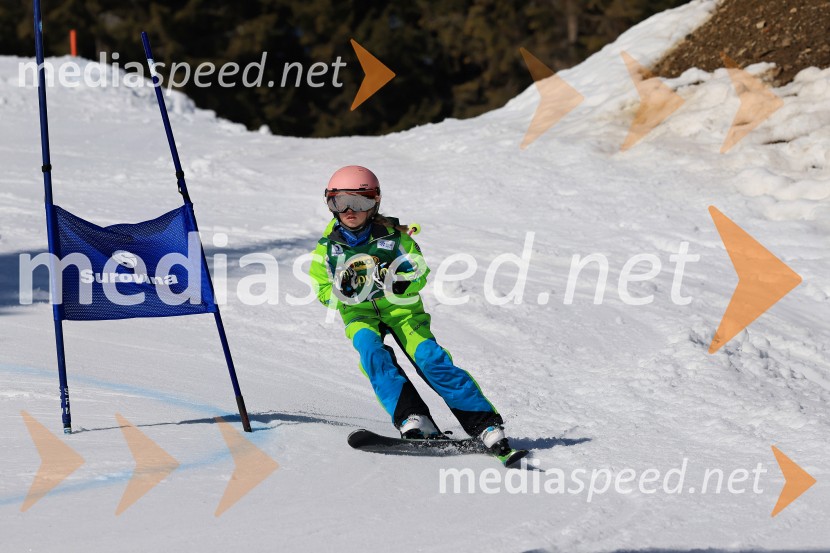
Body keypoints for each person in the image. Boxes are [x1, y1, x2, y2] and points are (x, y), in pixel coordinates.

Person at [308, 165, 518, 460]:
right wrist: (344, 292)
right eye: (339, 202)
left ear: (375, 203)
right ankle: (414, 417)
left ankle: (484, 424)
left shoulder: (394, 237)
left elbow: (419, 269)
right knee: (372, 354)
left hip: (403, 313)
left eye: (360, 201)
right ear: (330, 204)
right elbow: (321, 289)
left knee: (431, 360)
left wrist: (396, 280)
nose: (349, 210)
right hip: (359, 316)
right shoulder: (327, 248)